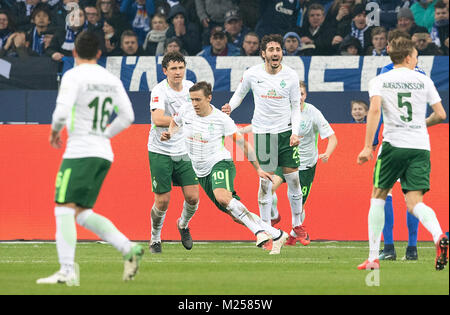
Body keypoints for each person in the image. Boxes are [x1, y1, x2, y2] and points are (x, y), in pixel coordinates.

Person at [36, 31, 143, 285]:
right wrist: (104, 134)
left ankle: (67, 271)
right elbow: (127, 116)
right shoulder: (110, 79)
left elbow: (62, 110)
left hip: (80, 150)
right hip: (103, 152)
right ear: (98, 53)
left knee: (63, 207)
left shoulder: (73, 76)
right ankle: (128, 248)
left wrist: (53, 132)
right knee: (82, 213)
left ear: (74, 52)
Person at [162, 81, 289, 255]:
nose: (194, 104)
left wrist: (258, 169)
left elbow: (243, 144)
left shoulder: (221, 119)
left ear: (209, 98)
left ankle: (259, 233)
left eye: (198, 100)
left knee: (222, 197)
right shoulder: (186, 110)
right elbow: (175, 123)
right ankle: (277, 234)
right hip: (201, 171)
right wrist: (171, 134)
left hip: (220, 163)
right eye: (192, 99)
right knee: (234, 213)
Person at [357, 35, 448, 271]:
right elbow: (440, 115)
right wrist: (419, 124)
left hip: (393, 145)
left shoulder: (380, 80)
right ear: (408, 57)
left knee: (378, 196)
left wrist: (368, 146)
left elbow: (375, 110)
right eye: (416, 56)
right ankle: (439, 236)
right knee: (414, 202)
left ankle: (373, 257)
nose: (417, 60)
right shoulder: (423, 80)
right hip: (420, 147)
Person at [221, 34, 304, 247]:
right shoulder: (252, 73)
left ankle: (297, 225)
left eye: (278, 49)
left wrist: (296, 132)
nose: (275, 53)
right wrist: (230, 106)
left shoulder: (292, 76)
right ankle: (267, 231)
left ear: (281, 53)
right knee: (265, 184)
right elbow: (239, 94)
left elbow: (296, 107)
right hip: (264, 134)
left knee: (293, 180)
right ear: (263, 54)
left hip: (286, 133)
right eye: (271, 49)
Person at [239, 81, 338, 247]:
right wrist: (244, 130)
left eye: (302, 94)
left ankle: (293, 233)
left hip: (305, 166)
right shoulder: (283, 110)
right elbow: (263, 124)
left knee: (300, 204)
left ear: (305, 95)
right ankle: (274, 216)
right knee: (267, 189)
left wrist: (327, 153)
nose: (299, 97)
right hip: (285, 159)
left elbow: (332, 137)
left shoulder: (312, 112)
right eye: (296, 93)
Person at [147, 52, 200, 254]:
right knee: (162, 201)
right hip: (160, 149)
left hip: (184, 149)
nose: (178, 72)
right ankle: (155, 237)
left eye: (180, 68)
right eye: (173, 69)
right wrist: (179, 122)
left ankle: (183, 224)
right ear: (165, 71)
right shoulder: (159, 90)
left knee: (193, 197)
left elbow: (200, 110)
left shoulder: (190, 87)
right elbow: (158, 119)